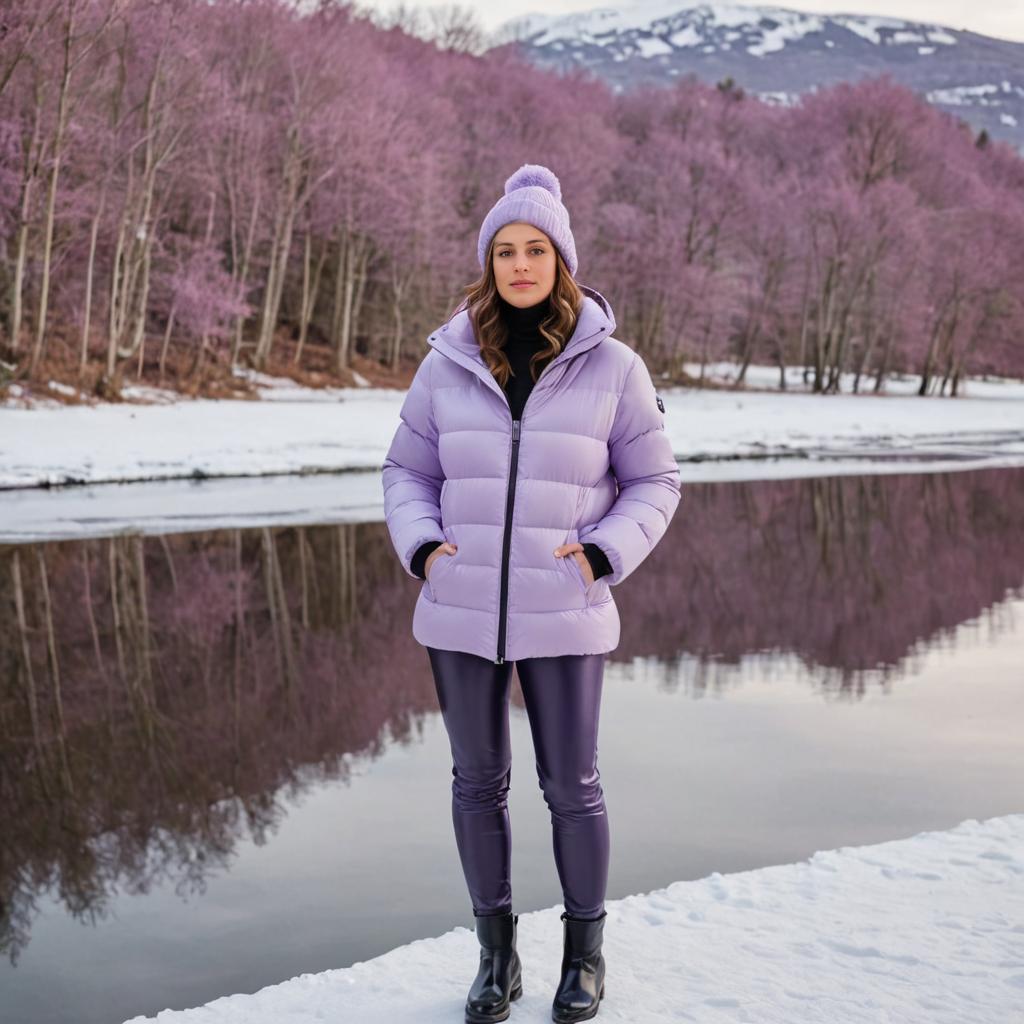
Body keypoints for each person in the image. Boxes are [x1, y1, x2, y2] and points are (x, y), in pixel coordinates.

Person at [381, 164, 682, 1023]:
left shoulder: (614, 367)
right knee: (476, 784)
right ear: (488, 262)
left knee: (572, 786)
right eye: (505, 249)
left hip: (567, 606)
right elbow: (407, 469)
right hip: (458, 606)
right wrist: (425, 547)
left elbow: (655, 482)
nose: (520, 264)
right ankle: (495, 957)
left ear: (562, 261)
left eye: (535, 249)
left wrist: (601, 554)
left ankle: (584, 960)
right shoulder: (446, 365)